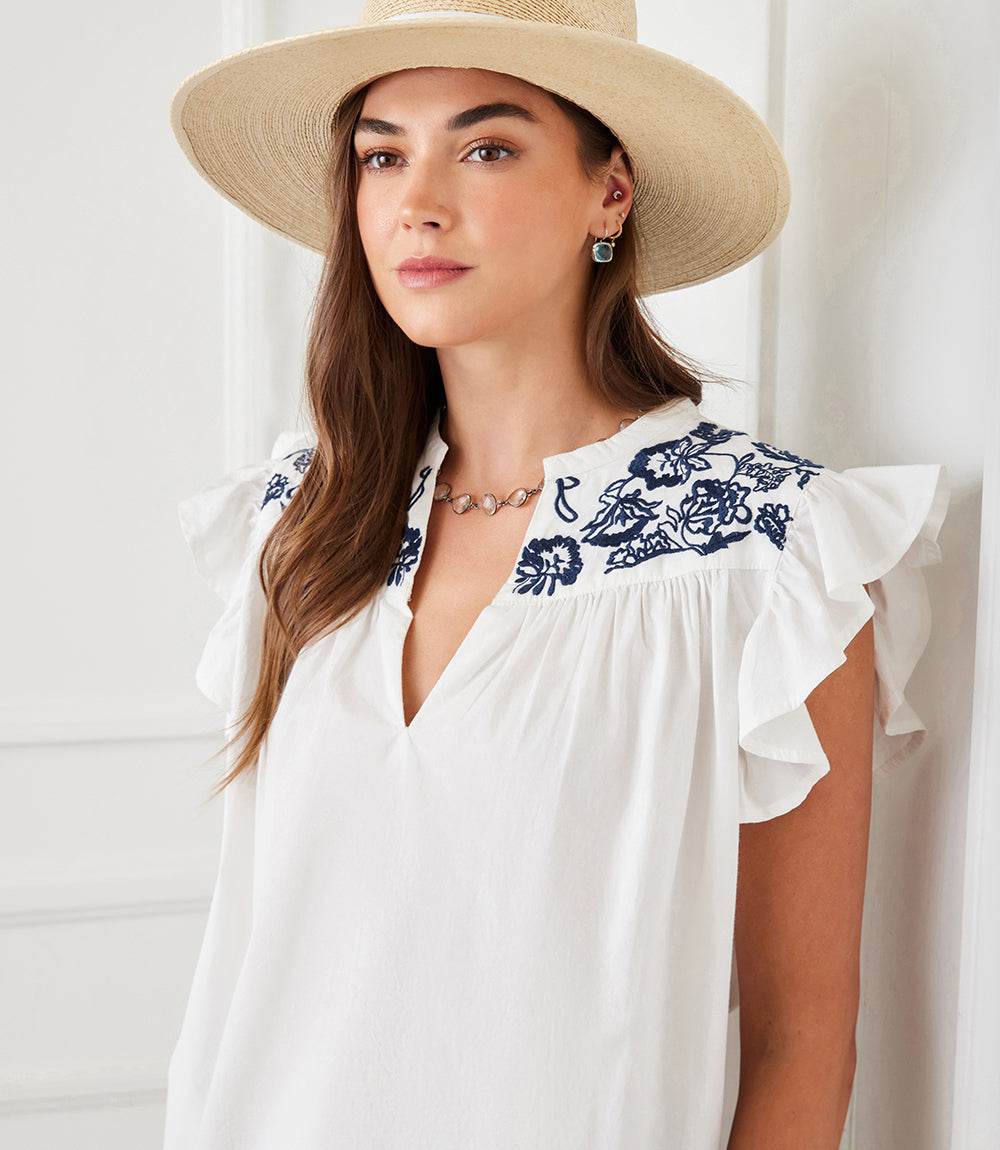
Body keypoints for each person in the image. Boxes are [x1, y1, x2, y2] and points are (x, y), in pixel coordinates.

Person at [163, 4, 951, 1148]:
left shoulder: (768, 551)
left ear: (609, 191)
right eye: (381, 155)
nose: (417, 201)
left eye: (486, 146)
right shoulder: (298, 520)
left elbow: (803, 1037)